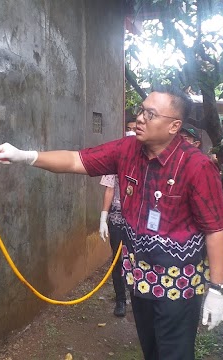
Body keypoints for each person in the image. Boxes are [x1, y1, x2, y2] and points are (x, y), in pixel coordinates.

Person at [0, 85, 223, 360]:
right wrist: (25, 156)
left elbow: (216, 229)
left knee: (174, 353)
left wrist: (217, 289)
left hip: (178, 282)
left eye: (150, 114)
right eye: (141, 110)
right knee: (151, 350)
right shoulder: (127, 149)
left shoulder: (196, 166)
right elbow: (76, 160)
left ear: (174, 126)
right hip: (140, 276)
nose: (140, 118)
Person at [99, 116, 137, 317]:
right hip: (117, 217)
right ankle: (121, 300)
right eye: (128, 128)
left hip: (139, 219)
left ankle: (138, 297)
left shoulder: (145, 157)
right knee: (117, 259)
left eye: (135, 128)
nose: (131, 132)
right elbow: (109, 189)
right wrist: (103, 217)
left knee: (138, 259)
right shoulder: (117, 158)